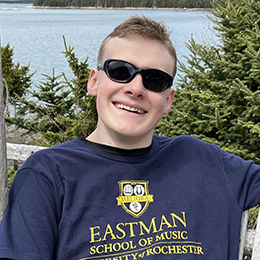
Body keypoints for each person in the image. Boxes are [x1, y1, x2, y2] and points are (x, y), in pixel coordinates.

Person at [0, 16, 259, 260]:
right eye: (120, 70)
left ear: (168, 100)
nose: (135, 88)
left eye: (155, 79)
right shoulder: (48, 175)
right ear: (93, 82)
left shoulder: (203, 160)